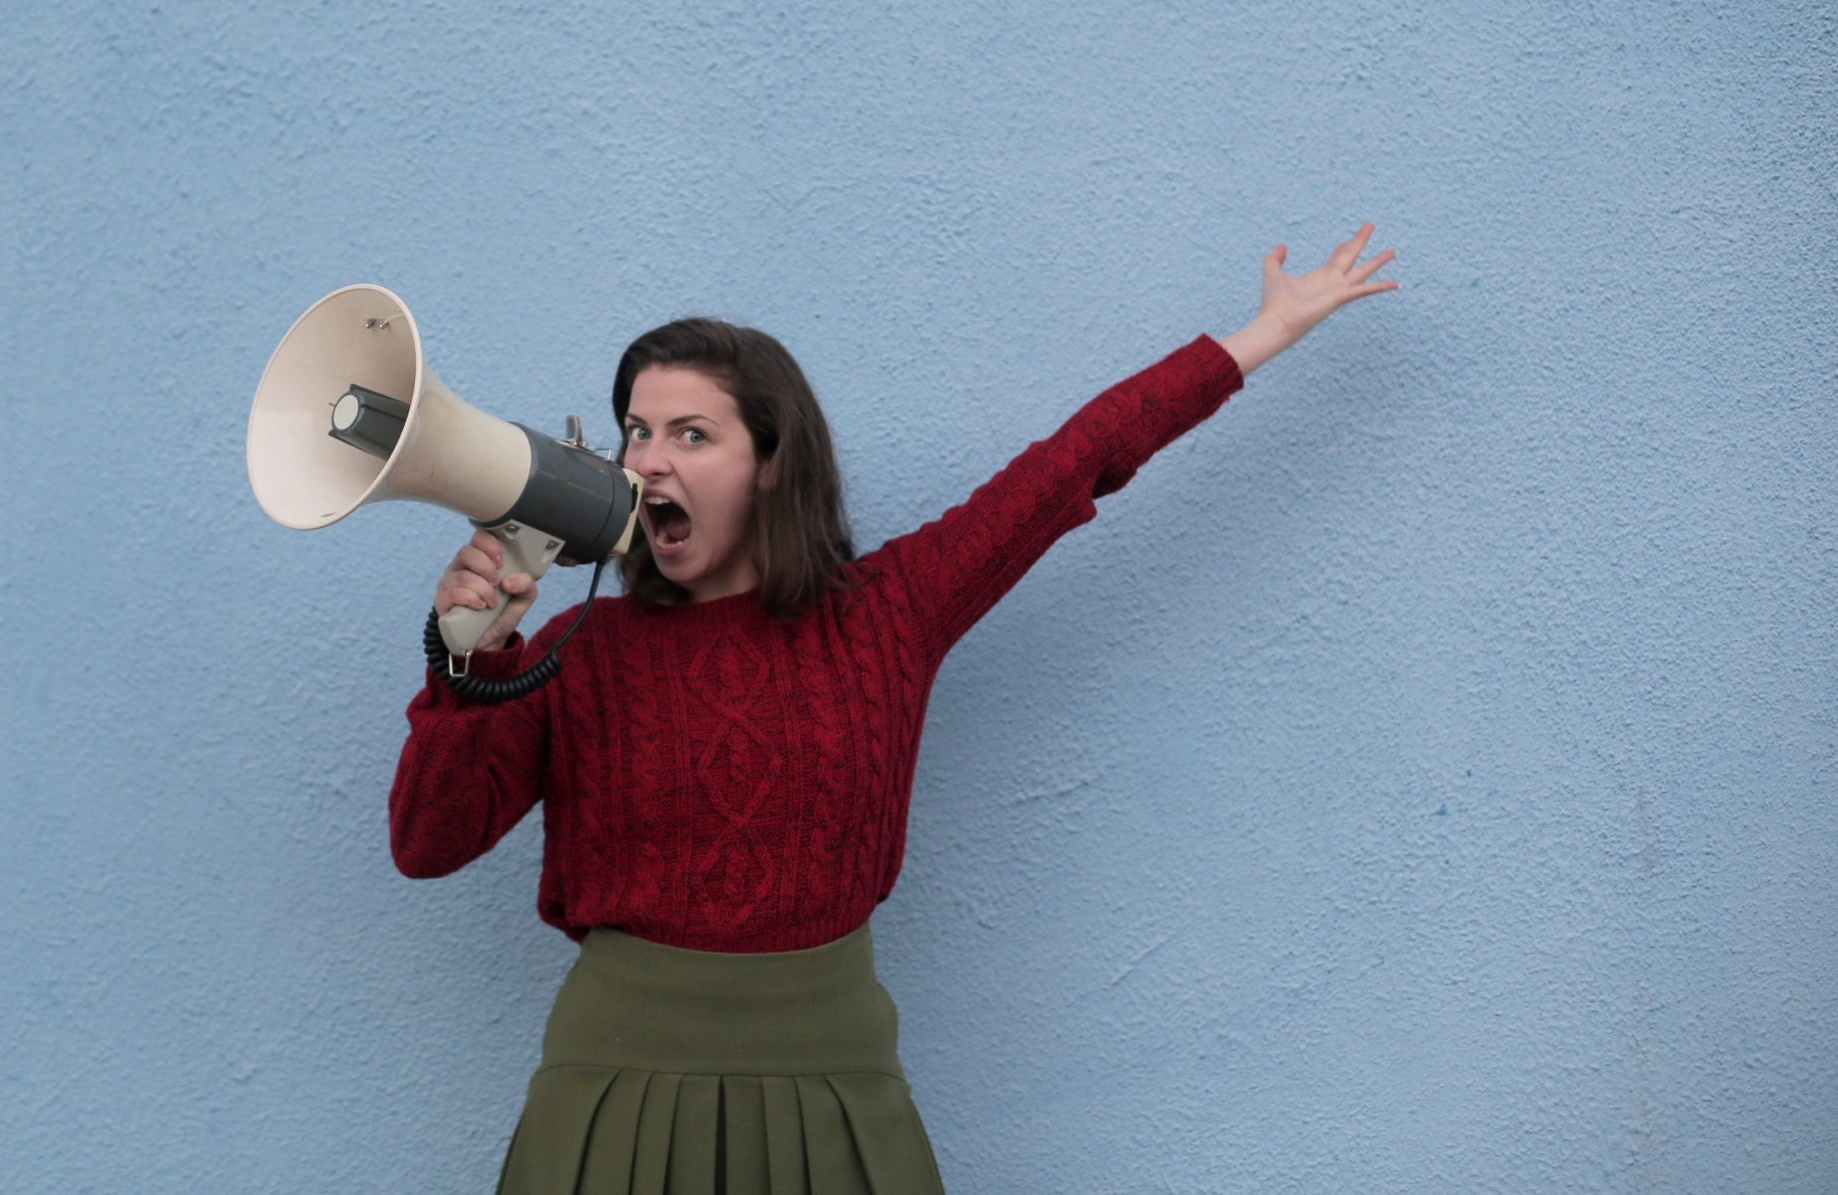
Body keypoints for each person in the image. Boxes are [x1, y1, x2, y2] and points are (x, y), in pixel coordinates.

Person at [390, 224, 1400, 1193]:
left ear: (771, 460)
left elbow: (1075, 460)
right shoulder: (572, 652)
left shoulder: (885, 615)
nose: (648, 460)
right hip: (610, 1086)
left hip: (831, 1080)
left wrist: (1261, 334)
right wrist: (468, 663)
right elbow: (428, 845)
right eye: (637, 433)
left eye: (691, 434)